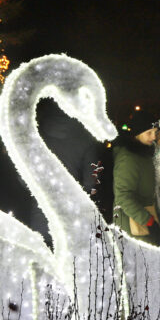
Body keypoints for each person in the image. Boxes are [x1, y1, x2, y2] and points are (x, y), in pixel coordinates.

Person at [28, 99, 101, 247]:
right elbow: (91, 180)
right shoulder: (86, 136)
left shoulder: (37, 134)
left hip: (41, 215)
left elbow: (23, 175)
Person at [112, 110, 160, 245]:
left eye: (155, 132)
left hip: (142, 218)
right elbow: (123, 196)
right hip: (131, 223)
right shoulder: (128, 158)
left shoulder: (143, 154)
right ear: (137, 134)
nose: (153, 137)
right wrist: (148, 220)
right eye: (149, 132)